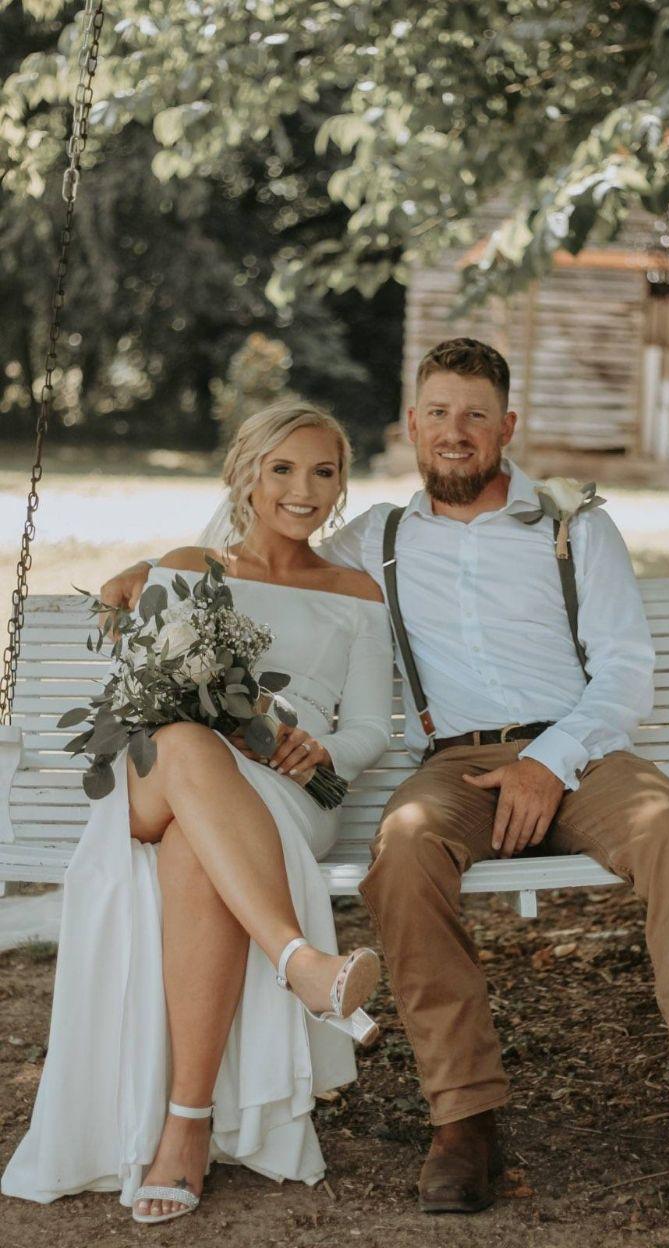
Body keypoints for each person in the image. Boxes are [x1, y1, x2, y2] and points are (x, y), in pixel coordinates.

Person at [85, 338, 669, 1216]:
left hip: (584, 750)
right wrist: (150, 570)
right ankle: (465, 1122)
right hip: (454, 762)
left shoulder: (577, 526)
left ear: (507, 425)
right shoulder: (374, 536)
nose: (454, 433)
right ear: (411, 425)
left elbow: (623, 672)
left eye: (474, 415)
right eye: (437, 414)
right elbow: (267, 535)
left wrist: (548, 760)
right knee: (405, 855)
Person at [1, 400, 394, 1225]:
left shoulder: (356, 593)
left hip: (285, 792)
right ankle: (302, 965)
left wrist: (325, 752)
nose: (303, 490)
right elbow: (140, 702)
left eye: (324, 472)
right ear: (244, 474)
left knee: (192, 852)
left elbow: (365, 728)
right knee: (180, 741)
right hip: (152, 780)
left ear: (342, 486)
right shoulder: (183, 567)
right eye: (282, 468)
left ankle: (185, 1130)